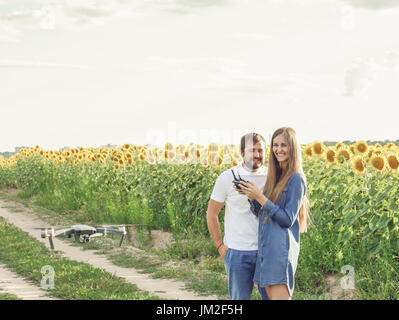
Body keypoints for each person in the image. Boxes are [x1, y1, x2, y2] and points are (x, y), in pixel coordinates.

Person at [235, 127, 310, 300]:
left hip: (279, 253)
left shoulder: (296, 178)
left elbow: (286, 219)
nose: (278, 149)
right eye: (275, 145)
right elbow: (264, 215)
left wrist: (260, 197)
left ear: (293, 148)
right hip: (266, 251)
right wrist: (251, 197)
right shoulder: (275, 176)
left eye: (284, 145)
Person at [206, 133, 269, 300]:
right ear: (242, 152)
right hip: (238, 252)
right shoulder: (227, 177)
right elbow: (212, 213)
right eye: (251, 150)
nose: (256, 155)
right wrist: (219, 245)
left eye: (260, 150)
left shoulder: (272, 178)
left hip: (267, 252)